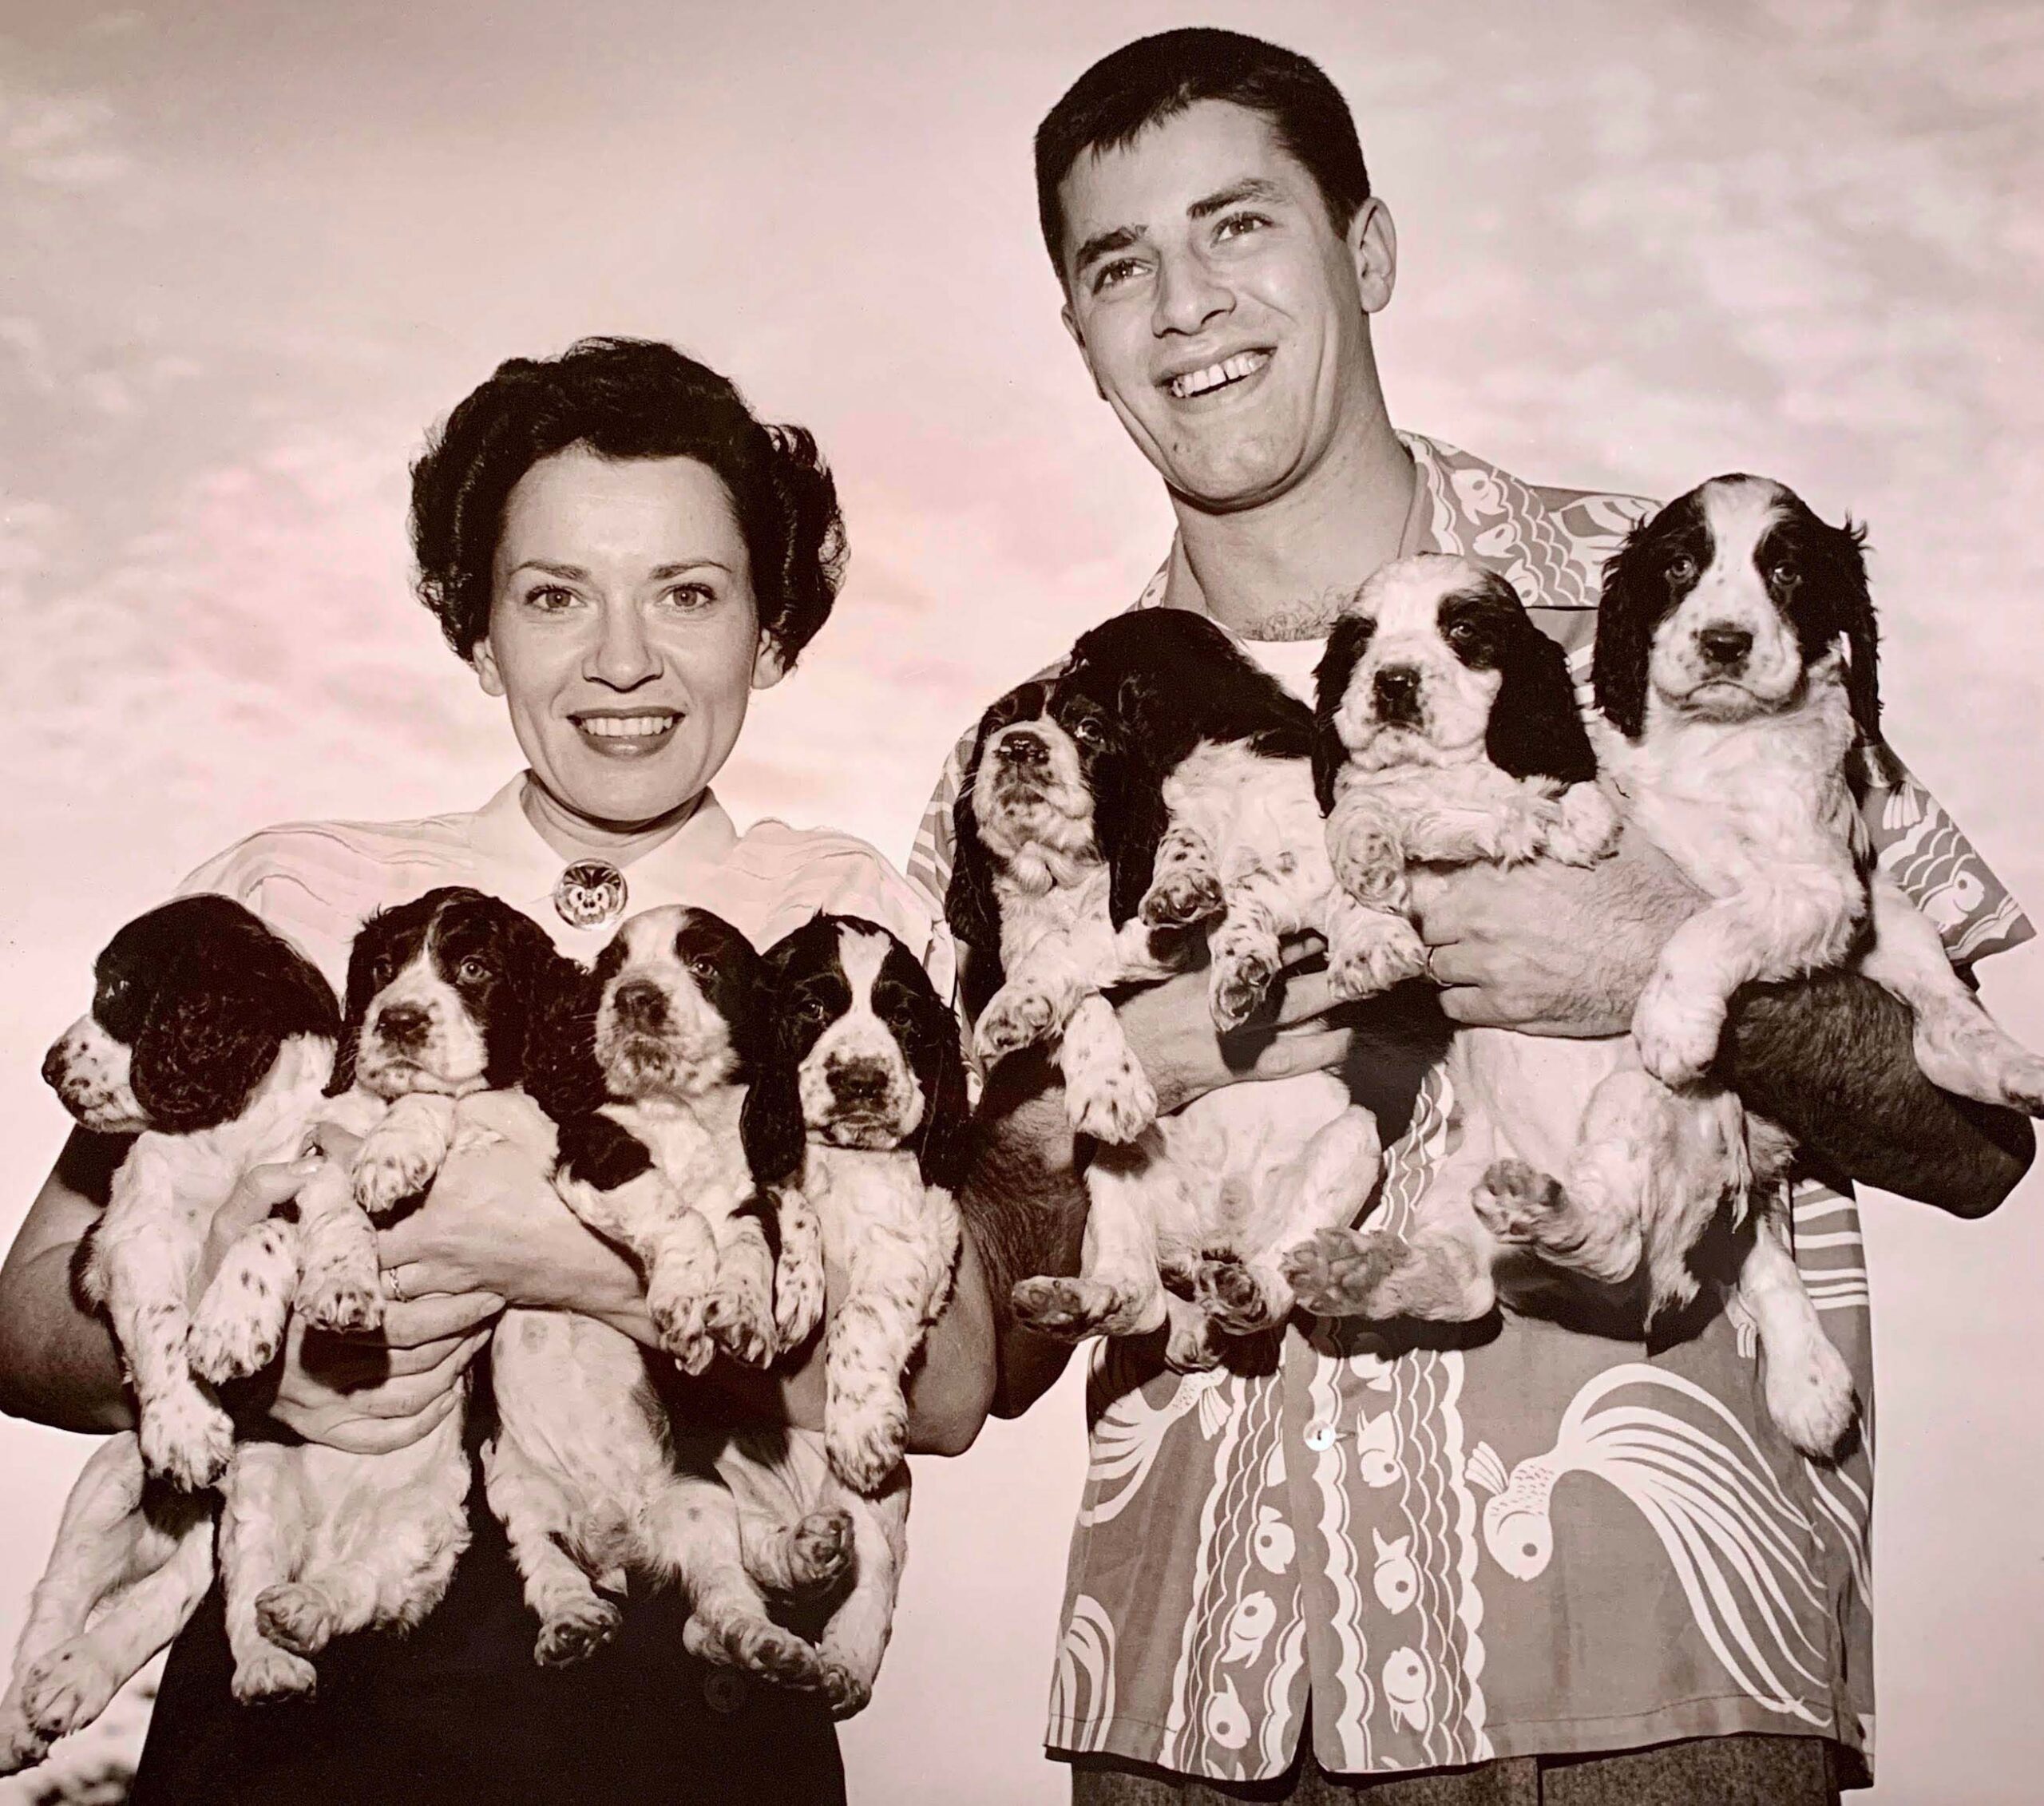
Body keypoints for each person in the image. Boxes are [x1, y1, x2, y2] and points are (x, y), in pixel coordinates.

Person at [907, 29, 2034, 1805]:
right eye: (1117, 266)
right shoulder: (1029, 759)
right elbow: (983, 1317)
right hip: (1201, 1714)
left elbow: (1978, 1137)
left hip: (1653, 1682)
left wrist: (1656, 965)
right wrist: (1148, 1051)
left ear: (1363, 253)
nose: (1185, 305)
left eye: (1237, 228)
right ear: (1079, 339)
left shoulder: (1678, 605)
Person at [0, 335, 992, 1806]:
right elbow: (28, 1322)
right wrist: (236, 1299)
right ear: (476, 635)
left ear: (773, 632)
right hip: (296, 1732)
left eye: (690, 593)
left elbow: (956, 1382)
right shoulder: (305, 893)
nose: (623, 659)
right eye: (552, 596)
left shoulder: (837, 933)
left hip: (692, 1727)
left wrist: (573, 1257)